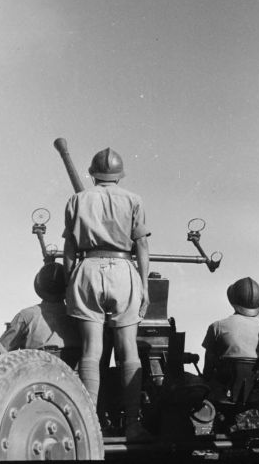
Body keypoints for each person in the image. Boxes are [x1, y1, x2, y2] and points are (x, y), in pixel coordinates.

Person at [62, 147, 151, 440]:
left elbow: (70, 251)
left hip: (88, 268)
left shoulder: (77, 199)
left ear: (93, 173)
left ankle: (90, 424)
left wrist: (70, 281)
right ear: (119, 175)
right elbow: (142, 248)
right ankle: (134, 424)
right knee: (129, 351)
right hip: (125, 270)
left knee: (91, 351)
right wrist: (144, 287)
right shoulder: (134, 200)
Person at [0, 262, 81, 365]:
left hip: (38, 371)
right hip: (73, 373)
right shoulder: (78, 315)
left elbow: (2, 350)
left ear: (40, 287)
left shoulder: (26, 315)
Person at [202, 277, 259, 383]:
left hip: (222, 393)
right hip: (255, 392)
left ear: (233, 300)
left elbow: (208, 370)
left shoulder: (217, 326)